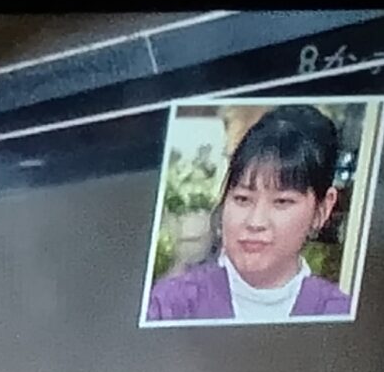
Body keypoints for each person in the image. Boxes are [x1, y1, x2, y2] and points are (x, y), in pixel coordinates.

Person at [144, 104, 355, 322]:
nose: (255, 222)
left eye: (282, 201)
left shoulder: (340, 314)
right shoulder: (170, 305)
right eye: (242, 199)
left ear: (322, 209)